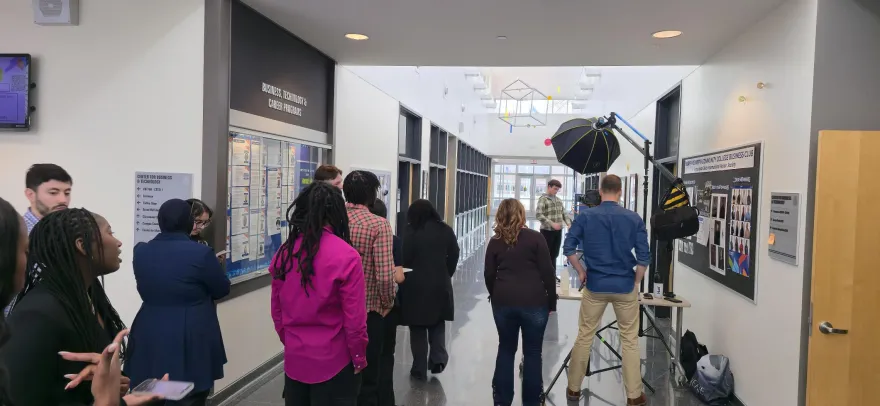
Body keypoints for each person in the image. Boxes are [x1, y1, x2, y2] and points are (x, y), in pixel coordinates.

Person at [0, 208, 160, 405]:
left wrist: (117, 395)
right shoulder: (37, 314)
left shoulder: (91, 294)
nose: (118, 242)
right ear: (82, 245)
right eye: (110, 232)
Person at [270, 182, 368, 406]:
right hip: (336, 360)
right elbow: (355, 320)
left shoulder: (284, 253)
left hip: (296, 359)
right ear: (337, 213)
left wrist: (292, 342)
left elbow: (277, 310)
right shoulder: (347, 256)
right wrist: (359, 357)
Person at [125, 199, 230, 406]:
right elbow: (221, 289)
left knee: (149, 390)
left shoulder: (141, 251)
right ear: (188, 222)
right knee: (186, 393)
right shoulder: (201, 253)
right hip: (192, 331)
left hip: (149, 330)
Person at [562, 175, 649, 405]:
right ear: (620, 192)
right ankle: (634, 396)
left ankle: (573, 389)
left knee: (585, 336)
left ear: (601, 192)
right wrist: (636, 283)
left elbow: (568, 247)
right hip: (624, 286)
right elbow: (643, 258)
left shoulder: (586, 216)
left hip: (595, 286)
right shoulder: (633, 218)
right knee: (629, 340)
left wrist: (581, 272)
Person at [484, 199, 557, 406]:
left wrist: (495, 294)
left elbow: (489, 273)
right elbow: (548, 273)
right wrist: (552, 303)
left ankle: (502, 400)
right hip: (535, 302)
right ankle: (532, 401)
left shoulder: (495, 241)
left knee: (506, 348)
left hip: (503, 302)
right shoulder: (536, 239)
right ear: (522, 215)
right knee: (533, 352)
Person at [343, 170, 395, 406]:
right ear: (371, 195)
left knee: (340, 377)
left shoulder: (333, 219)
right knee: (368, 377)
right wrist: (388, 303)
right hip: (367, 312)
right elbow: (385, 276)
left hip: (335, 311)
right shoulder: (379, 225)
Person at [398, 199, 459, 380]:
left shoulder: (410, 231)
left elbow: (404, 256)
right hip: (440, 283)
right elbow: (454, 253)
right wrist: (446, 272)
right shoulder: (445, 229)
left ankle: (419, 367)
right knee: (437, 321)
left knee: (417, 327)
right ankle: (438, 359)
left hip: (415, 284)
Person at [4, 164, 74, 316]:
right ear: (30, 194)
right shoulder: (15, 234)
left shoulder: (67, 233)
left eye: (67, 193)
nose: (63, 200)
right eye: (53, 192)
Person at [367, 199, 404, 406]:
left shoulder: (348, 234)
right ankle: (385, 400)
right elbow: (397, 277)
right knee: (385, 356)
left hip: (360, 308)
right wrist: (388, 301)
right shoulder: (393, 240)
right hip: (386, 307)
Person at [535, 179, 571, 272]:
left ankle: (552, 275)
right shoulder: (543, 200)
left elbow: (564, 213)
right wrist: (551, 223)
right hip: (547, 231)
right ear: (549, 187)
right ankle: (544, 275)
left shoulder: (558, 200)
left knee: (554, 254)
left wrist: (568, 223)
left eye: (557, 190)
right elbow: (539, 215)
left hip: (558, 231)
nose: (556, 191)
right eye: (555, 189)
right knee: (546, 254)